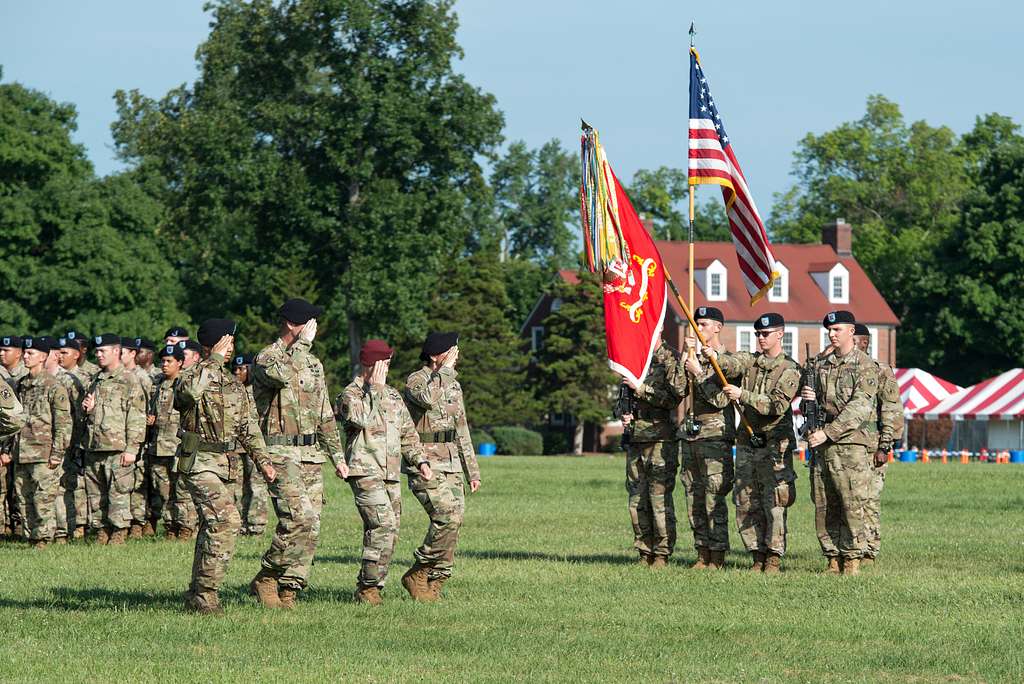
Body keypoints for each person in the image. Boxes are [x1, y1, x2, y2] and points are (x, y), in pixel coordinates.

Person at [174, 319, 277, 615]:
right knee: (227, 521)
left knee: (211, 526)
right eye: (226, 342)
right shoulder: (192, 374)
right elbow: (188, 395)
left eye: (231, 343)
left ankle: (196, 592)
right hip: (198, 462)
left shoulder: (233, 384)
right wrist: (214, 359)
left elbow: (248, 427)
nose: (231, 348)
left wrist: (264, 461)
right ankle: (206, 594)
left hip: (226, 465)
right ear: (212, 344)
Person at [250, 298, 346, 609]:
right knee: (297, 519)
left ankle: (289, 588)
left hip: (310, 454)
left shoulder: (314, 363)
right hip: (279, 452)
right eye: (309, 322)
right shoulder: (267, 358)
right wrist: (301, 345)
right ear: (293, 325)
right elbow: (279, 375)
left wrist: (337, 457)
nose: (314, 328)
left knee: (312, 525)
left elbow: (325, 413)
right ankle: (268, 575)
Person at [336, 339, 431, 605]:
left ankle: (375, 583)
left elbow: (408, 436)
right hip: (364, 471)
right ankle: (367, 588)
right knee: (382, 524)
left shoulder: (392, 395)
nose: (388, 369)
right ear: (372, 364)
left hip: (390, 474)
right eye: (385, 364)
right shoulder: (350, 394)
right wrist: (375, 390)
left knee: (391, 530)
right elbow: (359, 418)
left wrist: (421, 461)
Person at [706, 313, 801, 573]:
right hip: (748, 440)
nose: (760, 338)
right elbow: (731, 365)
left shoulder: (790, 369)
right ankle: (756, 553)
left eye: (765, 334)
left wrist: (742, 394)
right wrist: (712, 355)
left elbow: (777, 405)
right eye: (758, 334)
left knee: (775, 501)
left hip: (774, 444)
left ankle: (773, 556)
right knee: (746, 499)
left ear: (780, 334)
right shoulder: (751, 361)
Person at [401, 332, 482, 601]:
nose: (456, 356)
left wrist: (472, 470)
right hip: (424, 462)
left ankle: (436, 583)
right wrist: (445, 371)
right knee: (446, 516)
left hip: (452, 463)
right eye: (451, 351)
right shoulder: (416, 380)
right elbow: (427, 399)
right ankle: (420, 569)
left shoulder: (454, 385)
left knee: (455, 523)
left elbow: (462, 429)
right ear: (435, 355)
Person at [801, 311, 879, 576]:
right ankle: (832, 558)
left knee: (852, 502)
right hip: (822, 443)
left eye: (837, 330)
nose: (832, 334)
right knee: (824, 502)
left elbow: (860, 406)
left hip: (850, 444)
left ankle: (852, 560)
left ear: (851, 332)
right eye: (829, 330)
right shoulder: (822, 365)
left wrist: (829, 432)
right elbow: (812, 405)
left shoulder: (865, 365)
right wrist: (808, 399)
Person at [614, 339, 686, 568]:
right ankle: (644, 551)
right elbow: (623, 398)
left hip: (660, 440)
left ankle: (662, 554)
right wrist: (623, 414)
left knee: (658, 499)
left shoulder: (671, 358)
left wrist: (641, 388)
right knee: (636, 500)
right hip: (635, 437)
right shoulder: (634, 358)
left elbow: (674, 398)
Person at [678, 306, 736, 570]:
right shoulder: (692, 358)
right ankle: (701, 551)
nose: (697, 328)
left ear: (717, 328)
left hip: (715, 436)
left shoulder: (727, 360)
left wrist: (700, 373)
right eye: (696, 324)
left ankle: (717, 554)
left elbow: (720, 399)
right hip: (691, 435)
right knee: (693, 495)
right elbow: (677, 390)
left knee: (714, 497)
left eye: (703, 324)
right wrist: (684, 358)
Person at [81, 333, 148, 545]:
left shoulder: (129, 380)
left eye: (103, 351)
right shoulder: (95, 380)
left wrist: (132, 449)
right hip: (95, 445)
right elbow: (89, 414)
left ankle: (119, 531)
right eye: (97, 351)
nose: (98, 355)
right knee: (96, 494)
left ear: (116, 352)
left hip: (118, 447)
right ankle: (102, 530)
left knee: (118, 492)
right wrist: (87, 411)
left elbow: (137, 417)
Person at [12, 336, 72, 548]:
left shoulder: (54, 386)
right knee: (23, 498)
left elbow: (63, 423)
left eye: (31, 354)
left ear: (43, 357)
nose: (26, 357)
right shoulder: (20, 385)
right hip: (22, 451)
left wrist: (57, 454)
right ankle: (31, 537)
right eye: (25, 353)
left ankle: (44, 539)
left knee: (43, 499)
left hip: (43, 453)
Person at [853, 323, 904, 566]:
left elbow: (892, 410)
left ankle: (869, 551)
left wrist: (885, 446)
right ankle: (851, 547)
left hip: (873, 446)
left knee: (870, 499)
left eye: (856, 339)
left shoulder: (880, 371)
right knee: (850, 499)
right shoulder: (842, 369)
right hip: (849, 447)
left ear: (865, 343)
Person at [146, 344, 194, 539]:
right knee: (163, 490)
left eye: (169, 361)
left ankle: (186, 526)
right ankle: (170, 526)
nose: (164, 365)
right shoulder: (157, 383)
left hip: (178, 444)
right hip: (159, 444)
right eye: (162, 361)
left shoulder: (186, 383)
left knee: (182, 489)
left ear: (180, 363)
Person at [54, 337, 88, 542]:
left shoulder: (80, 379)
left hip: (76, 440)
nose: (60, 356)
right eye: (58, 352)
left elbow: (79, 415)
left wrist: (78, 441)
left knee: (77, 485)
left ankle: (79, 525)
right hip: (64, 440)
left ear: (77, 354)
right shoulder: (57, 378)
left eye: (64, 352)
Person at [122, 337, 155, 538]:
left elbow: (148, 410)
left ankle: (138, 521)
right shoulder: (119, 376)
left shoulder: (141, 377)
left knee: (139, 482)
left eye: (122, 352)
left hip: (141, 436)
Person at [232, 353, 268, 536]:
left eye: (242, 368)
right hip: (235, 445)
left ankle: (256, 524)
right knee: (236, 486)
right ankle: (237, 523)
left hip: (254, 444)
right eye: (235, 369)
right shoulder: (231, 390)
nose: (238, 372)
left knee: (256, 485)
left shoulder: (259, 390)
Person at [0, 335, 24, 537]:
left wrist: (4, 444)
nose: (1, 353)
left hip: (24, 445)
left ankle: (15, 526)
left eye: (6, 350)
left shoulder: (21, 377)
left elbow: (15, 418)